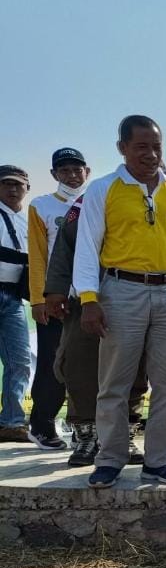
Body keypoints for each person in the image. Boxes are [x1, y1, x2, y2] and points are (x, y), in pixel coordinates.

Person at [73, 115, 166, 489]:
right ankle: (110, 458)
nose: (150, 155)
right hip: (120, 290)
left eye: (156, 147)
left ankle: (158, 461)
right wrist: (88, 299)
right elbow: (87, 249)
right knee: (114, 383)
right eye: (141, 147)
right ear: (122, 148)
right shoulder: (103, 190)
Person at [43, 193, 148, 466]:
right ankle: (86, 434)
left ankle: (125, 433)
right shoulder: (96, 195)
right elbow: (65, 246)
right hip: (88, 297)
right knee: (81, 366)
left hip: (141, 299)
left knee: (135, 368)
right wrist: (55, 290)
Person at [25, 149, 91, 449]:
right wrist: (40, 298)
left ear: (86, 171)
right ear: (54, 175)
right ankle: (41, 424)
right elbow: (37, 256)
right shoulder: (42, 206)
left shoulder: (97, 200)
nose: (71, 175)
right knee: (52, 363)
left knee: (86, 365)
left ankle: (82, 426)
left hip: (89, 296)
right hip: (56, 296)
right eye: (64, 170)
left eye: (76, 169)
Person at [0, 165, 31, 443]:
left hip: (13, 297)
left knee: (20, 361)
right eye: (6, 184)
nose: (12, 189)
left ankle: (11, 422)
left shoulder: (28, 222)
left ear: (26, 189)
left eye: (17, 185)